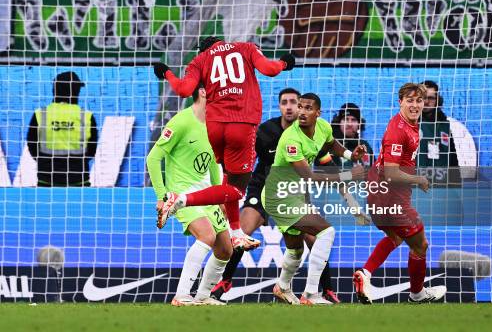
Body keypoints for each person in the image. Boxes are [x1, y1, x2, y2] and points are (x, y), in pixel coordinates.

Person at [153, 36, 295, 251]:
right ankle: (181, 199)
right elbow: (270, 69)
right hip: (241, 125)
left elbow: (182, 90)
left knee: (228, 179)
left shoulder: (200, 60)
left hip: (215, 128)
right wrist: (285, 62)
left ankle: (236, 233)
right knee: (236, 191)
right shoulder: (245, 48)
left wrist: (167, 73)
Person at [211, 88, 342, 304]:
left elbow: (325, 156)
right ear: (280, 107)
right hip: (263, 186)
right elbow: (244, 159)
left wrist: (343, 173)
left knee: (309, 240)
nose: (290, 107)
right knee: (244, 231)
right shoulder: (265, 131)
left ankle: (326, 289)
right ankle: (223, 282)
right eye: (285, 103)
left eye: (294, 102)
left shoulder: (314, 130)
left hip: (295, 190)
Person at [262, 93, 368, 305]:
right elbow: (309, 176)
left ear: (317, 113)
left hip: (294, 194)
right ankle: (310, 294)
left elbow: (330, 144)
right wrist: (349, 175)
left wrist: (350, 156)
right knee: (326, 232)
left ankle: (282, 287)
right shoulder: (291, 139)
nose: (301, 111)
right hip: (279, 195)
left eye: (307, 108)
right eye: (300, 107)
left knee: (295, 250)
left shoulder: (323, 127)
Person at [353, 83, 447, 304]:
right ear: (400, 102)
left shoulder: (408, 124)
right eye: (410, 100)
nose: (415, 105)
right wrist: (419, 179)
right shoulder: (399, 131)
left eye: (419, 100)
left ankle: (365, 274)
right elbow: (392, 172)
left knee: (395, 236)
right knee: (420, 245)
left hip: (381, 193)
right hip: (389, 195)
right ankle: (417, 294)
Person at [146, 85, 232, 306]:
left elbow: (214, 162)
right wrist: (162, 196)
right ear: (203, 92)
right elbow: (153, 159)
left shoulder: (216, 124)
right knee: (207, 236)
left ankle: (203, 295)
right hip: (182, 195)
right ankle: (181, 295)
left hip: (206, 195)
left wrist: (219, 196)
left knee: (225, 249)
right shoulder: (181, 121)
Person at [26, 71, 98, 187]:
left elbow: (32, 145)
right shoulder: (86, 116)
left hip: (47, 178)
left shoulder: (41, 114)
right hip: (78, 178)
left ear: (55, 90)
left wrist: (45, 162)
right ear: (75, 91)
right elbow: (92, 149)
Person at [417, 81, 462, 187]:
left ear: (438, 100)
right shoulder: (408, 123)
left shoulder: (444, 125)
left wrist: (456, 185)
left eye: (431, 98)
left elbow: (452, 158)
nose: (427, 101)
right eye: (423, 97)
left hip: (441, 188)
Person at [330, 103, 374, 169]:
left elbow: (375, 172)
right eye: (346, 119)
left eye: (353, 120)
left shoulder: (365, 146)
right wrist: (350, 175)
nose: (349, 124)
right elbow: (326, 178)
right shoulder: (331, 146)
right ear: (339, 122)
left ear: (359, 123)